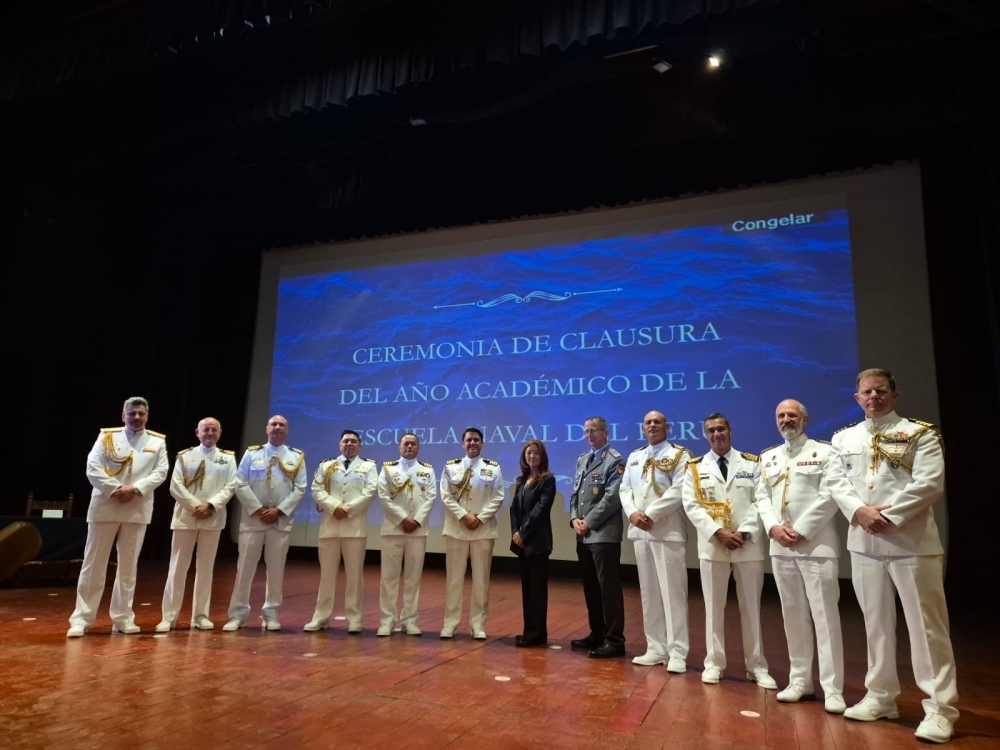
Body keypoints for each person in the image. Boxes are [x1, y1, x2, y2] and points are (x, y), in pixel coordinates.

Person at [832, 368, 958, 743]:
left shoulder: (921, 434)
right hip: (864, 544)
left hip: (911, 543)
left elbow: (930, 484)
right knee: (876, 626)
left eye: (881, 391)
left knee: (927, 628)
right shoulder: (843, 438)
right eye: (867, 392)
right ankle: (881, 696)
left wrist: (886, 514)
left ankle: (940, 708)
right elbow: (836, 482)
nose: (873, 397)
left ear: (894, 395)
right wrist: (860, 511)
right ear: (857, 398)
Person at [756, 400, 847, 713]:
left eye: (791, 415)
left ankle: (833, 689)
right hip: (781, 546)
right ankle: (800, 681)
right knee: (792, 616)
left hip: (816, 546)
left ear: (805, 419)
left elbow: (831, 494)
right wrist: (773, 529)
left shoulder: (824, 452)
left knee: (825, 619)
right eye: (780, 415)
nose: (785, 419)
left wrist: (803, 530)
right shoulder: (768, 457)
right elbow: (761, 498)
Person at [682, 412, 776, 688]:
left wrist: (744, 532)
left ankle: (757, 666)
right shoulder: (695, 467)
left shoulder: (751, 463)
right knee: (713, 607)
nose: (716, 434)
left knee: (751, 609)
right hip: (714, 545)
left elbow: (761, 501)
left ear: (730, 430)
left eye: (720, 429)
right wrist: (718, 532)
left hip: (747, 544)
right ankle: (714, 663)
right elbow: (691, 505)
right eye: (710, 430)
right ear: (705, 434)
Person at [68, 397, 169, 637]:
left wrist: (134, 489)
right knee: (93, 565)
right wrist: (115, 488)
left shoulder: (157, 441)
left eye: (141, 414)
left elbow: (162, 471)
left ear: (147, 416)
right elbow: (92, 467)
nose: (137, 418)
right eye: (132, 413)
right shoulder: (107, 437)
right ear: (123, 416)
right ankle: (82, 618)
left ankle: (123, 617)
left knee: (128, 567)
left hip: (136, 508)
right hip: (105, 505)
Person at [620, 411, 692, 672]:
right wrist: (633, 513)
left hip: (667, 530)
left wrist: (650, 514)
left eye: (657, 422)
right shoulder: (635, 456)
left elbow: (681, 489)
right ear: (643, 428)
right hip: (640, 532)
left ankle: (677, 652)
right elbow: (625, 489)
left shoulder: (679, 455)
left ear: (667, 427)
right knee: (649, 592)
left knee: (673, 593)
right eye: (648, 422)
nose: (652, 426)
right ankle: (655, 648)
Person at [223, 415, 306, 632]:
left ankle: (271, 614)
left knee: (276, 570)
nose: (277, 428)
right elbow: (240, 484)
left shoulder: (296, 457)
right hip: (253, 520)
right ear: (266, 428)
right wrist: (259, 510)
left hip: (280, 522)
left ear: (287, 430)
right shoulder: (252, 454)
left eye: (282, 425)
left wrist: (278, 511)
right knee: (244, 570)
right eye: (274, 424)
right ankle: (237, 615)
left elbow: (300, 488)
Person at [156, 417, 237, 632]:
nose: (209, 433)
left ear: (220, 433)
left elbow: (231, 486)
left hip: (213, 518)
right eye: (205, 430)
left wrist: (210, 505)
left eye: (213, 430)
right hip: (185, 518)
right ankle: (169, 617)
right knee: (177, 568)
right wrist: (195, 506)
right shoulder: (185, 456)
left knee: (205, 569)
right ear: (197, 432)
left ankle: (200, 616)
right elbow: (175, 486)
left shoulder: (227, 458)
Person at [303, 430, 378, 634]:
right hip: (329, 526)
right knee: (326, 575)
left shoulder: (369, 466)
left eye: (354, 441)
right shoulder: (326, 466)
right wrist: (334, 506)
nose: (349, 444)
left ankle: (354, 619)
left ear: (360, 446)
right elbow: (317, 489)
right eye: (346, 441)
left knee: (354, 576)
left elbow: (371, 491)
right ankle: (321, 617)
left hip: (355, 528)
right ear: (339, 444)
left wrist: (348, 509)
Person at [569, 416, 626, 659]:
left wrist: (588, 522)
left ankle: (614, 639)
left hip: (603, 535)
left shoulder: (615, 461)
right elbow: (575, 495)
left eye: (594, 431)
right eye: (586, 431)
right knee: (591, 588)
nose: (589, 435)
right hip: (583, 535)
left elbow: (612, 499)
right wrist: (574, 519)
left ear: (606, 432)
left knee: (608, 590)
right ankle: (597, 633)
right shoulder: (583, 459)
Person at [439, 427, 505, 639]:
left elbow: (498, 497)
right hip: (456, 529)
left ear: (482, 443)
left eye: (476, 440)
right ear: (463, 443)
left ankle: (478, 625)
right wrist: (464, 516)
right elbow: (446, 496)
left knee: (481, 581)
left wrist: (479, 518)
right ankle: (450, 624)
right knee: (454, 580)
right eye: (469, 440)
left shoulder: (493, 468)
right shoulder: (451, 467)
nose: (472, 443)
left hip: (483, 530)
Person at [377, 432, 437, 637]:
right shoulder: (388, 469)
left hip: (418, 530)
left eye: (413, 444)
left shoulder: (427, 470)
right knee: (389, 577)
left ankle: (409, 620)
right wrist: (403, 519)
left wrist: (416, 520)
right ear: (399, 447)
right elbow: (384, 497)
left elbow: (431, 497)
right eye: (406, 444)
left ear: (418, 448)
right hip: (393, 529)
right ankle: (387, 621)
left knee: (413, 577)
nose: (409, 447)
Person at [509, 439, 556, 647]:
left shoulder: (548, 480)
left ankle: (537, 635)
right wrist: (515, 533)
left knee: (537, 592)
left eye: (536, 453)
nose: (532, 456)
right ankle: (529, 632)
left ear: (542, 456)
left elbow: (541, 509)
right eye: (529, 453)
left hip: (537, 542)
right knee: (527, 591)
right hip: (522, 543)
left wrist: (524, 533)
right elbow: (513, 510)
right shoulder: (522, 481)